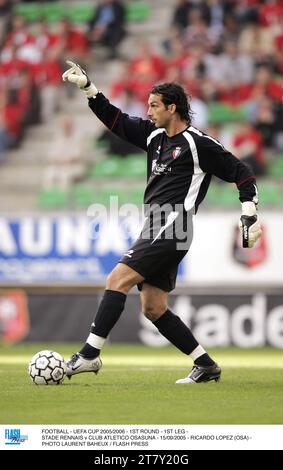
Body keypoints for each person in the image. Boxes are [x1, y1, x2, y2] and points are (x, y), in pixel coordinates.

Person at [62, 61, 262, 384]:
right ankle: (206, 365)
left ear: (173, 107)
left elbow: (242, 172)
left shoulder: (199, 144)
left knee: (117, 279)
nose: (149, 111)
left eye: (155, 105)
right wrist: (89, 88)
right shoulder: (154, 136)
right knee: (153, 307)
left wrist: (249, 210)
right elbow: (117, 121)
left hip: (174, 226)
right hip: (155, 226)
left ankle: (89, 355)